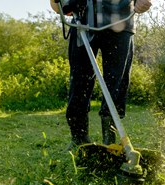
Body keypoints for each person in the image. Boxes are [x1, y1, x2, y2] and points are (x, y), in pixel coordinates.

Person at [50, 0, 152, 151]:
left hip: (121, 21)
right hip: (82, 21)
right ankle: (79, 139)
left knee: (117, 83)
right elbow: (57, 6)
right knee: (79, 81)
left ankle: (109, 141)